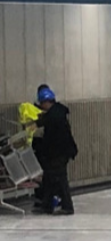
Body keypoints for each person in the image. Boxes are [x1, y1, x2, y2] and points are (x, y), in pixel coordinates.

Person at [33, 84, 77, 215]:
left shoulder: (54, 116)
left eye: (42, 103)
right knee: (49, 178)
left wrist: (39, 144)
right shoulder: (57, 112)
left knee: (60, 179)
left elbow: (51, 135)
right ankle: (47, 205)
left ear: (46, 102)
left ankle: (67, 207)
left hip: (60, 153)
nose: (41, 106)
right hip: (62, 151)